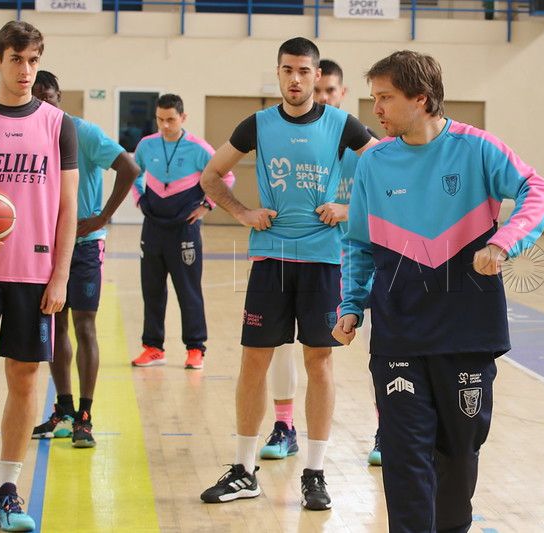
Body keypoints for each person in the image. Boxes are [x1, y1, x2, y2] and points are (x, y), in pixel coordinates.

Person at [331, 50, 544, 532]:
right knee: (403, 452)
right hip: (399, 332)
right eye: (375, 99)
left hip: (467, 331)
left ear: (422, 98)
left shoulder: (478, 149)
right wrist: (352, 304)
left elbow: (538, 191)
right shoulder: (373, 164)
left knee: (459, 451)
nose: (377, 111)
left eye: (386, 98)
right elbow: (357, 244)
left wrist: (503, 242)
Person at [198, 37, 376, 510]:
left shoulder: (342, 124)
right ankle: (243, 469)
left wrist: (348, 207)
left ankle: (315, 474)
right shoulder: (256, 124)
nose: (295, 79)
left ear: (317, 76)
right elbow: (210, 176)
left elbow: (387, 173)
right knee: (253, 361)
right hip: (271, 260)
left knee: (320, 361)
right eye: (287, 71)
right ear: (277, 74)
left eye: (303, 71)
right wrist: (241, 213)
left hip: (323, 261)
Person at [261, 58, 381, 467]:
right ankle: (284, 425)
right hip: (308, 255)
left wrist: (347, 209)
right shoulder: (298, 140)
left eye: (330, 91)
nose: (322, 98)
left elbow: (388, 191)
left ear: (340, 95)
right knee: (282, 343)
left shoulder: (361, 142)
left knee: (378, 345)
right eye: (320, 90)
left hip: (358, 257)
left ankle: (385, 427)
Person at [0, 20, 79, 532]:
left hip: (32, 272)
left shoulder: (56, 123)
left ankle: (8, 485)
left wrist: (60, 274)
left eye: (33, 60)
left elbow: (67, 208)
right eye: (16, 59)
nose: (26, 70)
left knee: (25, 379)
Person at [30, 70, 140, 448]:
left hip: (84, 245)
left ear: (60, 97)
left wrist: (104, 216)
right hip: (45, 246)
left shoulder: (83, 132)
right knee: (54, 326)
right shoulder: (29, 134)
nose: (43, 101)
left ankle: (86, 417)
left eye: (49, 95)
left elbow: (129, 167)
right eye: (36, 95)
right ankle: (63, 410)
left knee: (85, 326)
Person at [130, 94, 234, 370]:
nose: (165, 126)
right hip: (152, 227)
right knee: (151, 290)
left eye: (171, 120)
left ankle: (195, 348)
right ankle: (153, 347)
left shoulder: (198, 148)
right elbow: (133, 173)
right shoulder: (146, 145)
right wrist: (139, 198)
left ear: (183, 118)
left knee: (188, 291)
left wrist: (207, 205)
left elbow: (228, 176)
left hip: (184, 230)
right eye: (160, 120)